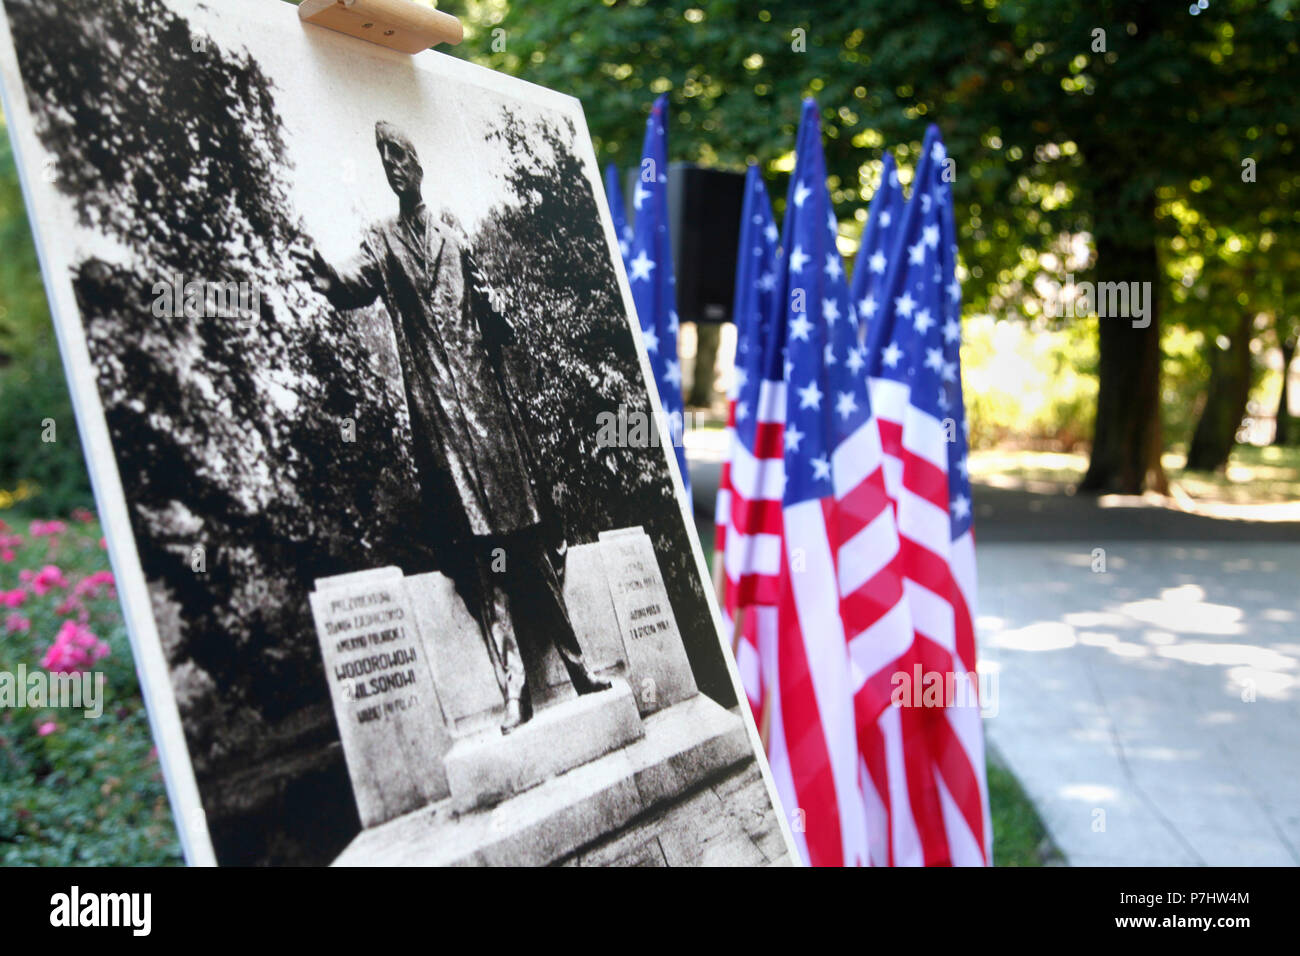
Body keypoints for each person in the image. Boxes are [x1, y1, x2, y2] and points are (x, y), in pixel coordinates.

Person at [293, 121, 609, 734]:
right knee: (484, 553)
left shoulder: (454, 234)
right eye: (383, 158)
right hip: (443, 420)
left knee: (529, 543)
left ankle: (579, 668)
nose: (391, 166)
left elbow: (492, 316)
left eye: (399, 156)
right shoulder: (381, 241)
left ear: (417, 164)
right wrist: (325, 276)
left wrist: (501, 315)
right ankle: (513, 690)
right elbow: (352, 280)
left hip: (490, 417)